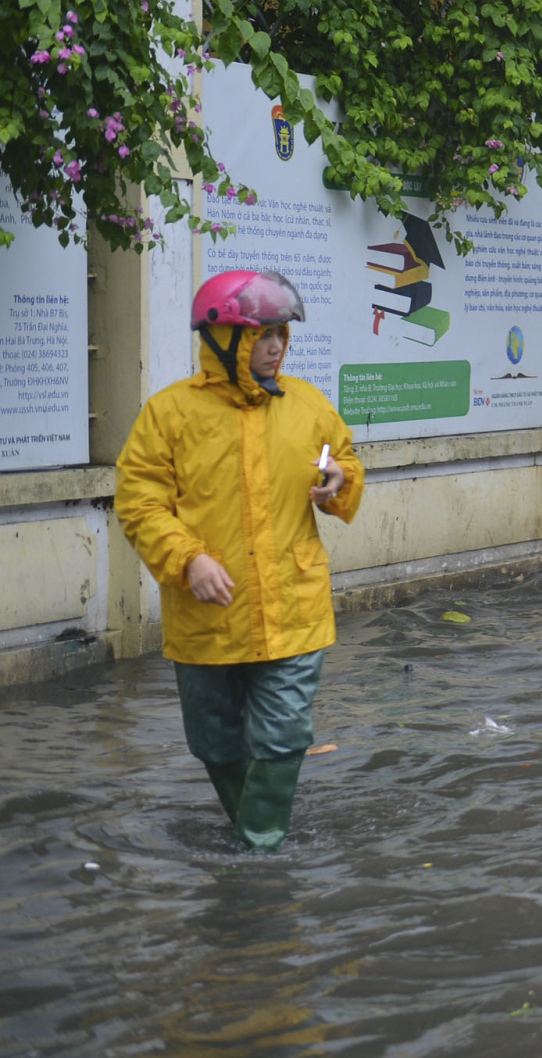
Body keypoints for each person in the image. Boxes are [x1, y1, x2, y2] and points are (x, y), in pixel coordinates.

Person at [114, 270, 364, 851]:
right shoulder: (167, 415)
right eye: (263, 335)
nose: (276, 347)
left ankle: (258, 856)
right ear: (222, 338)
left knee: (282, 738)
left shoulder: (307, 405)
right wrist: (189, 559)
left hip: (293, 610)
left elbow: (344, 460)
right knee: (215, 743)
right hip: (207, 615)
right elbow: (139, 503)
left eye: (280, 334)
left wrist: (340, 481)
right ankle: (252, 839)